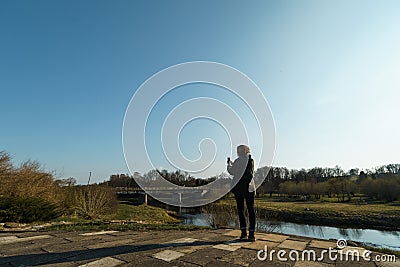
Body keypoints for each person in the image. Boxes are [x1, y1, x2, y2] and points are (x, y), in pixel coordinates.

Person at [227, 145, 256, 241]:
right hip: (249, 188)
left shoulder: (238, 161)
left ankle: (243, 233)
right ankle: (251, 234)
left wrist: (229, 165)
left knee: (241, 210)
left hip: (239, 188)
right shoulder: (250, 160)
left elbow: (232, 171)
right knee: (251, 210)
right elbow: (248, 172)